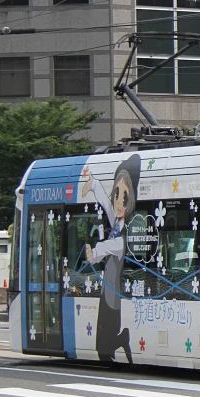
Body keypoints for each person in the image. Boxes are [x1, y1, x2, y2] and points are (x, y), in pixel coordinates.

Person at [81, 154, 140, 364]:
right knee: (102, 347)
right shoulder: (116, 222)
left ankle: (122, 337)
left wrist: (95, 252)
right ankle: (122, 338)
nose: (119, 202)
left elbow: (114, 247)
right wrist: (94, 184)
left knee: (103, 349)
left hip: (114, 295)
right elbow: (107, 205)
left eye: (124, 197)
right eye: (117, 194)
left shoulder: (127, 233)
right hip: (107, 289)